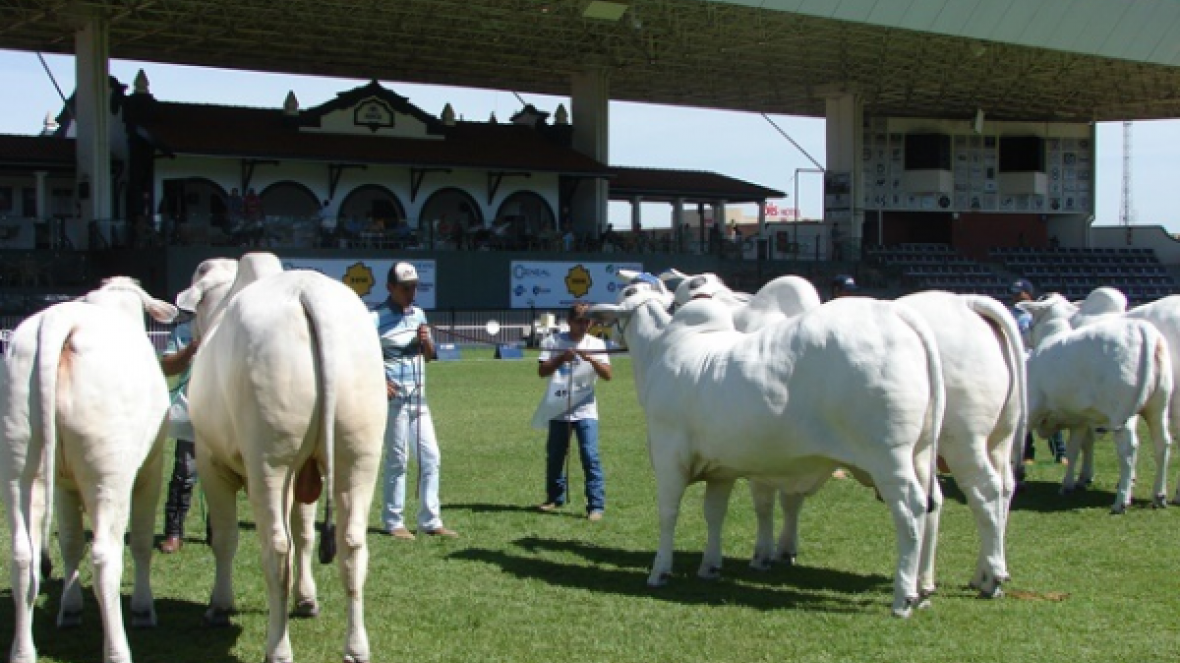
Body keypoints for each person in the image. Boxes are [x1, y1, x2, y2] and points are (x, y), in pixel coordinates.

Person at [372, 262, 458, 540]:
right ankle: (393, 521)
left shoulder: (419, 314)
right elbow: (361, 358)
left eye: (414, 288)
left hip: (419, 400)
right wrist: (379, 382)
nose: (411, 293)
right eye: (405, 288)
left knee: (431, 458)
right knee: (397, 460)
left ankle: (430, 521)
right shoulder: (374, 318)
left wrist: (425, 341)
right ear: (390, 287)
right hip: (394, 403)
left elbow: (430, 356)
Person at [534, 302, 612, 521]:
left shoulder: (597, 343)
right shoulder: (553, 341)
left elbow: (608, 375)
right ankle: (554, 497)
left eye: (587, 321)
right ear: (569, 321)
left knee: (590, 456)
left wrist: (591, 359)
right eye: (579, 321)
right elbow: (542, 371)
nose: (584, 325)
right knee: (555, 456)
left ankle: (595, 506)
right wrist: (561, 358)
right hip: (559, 408)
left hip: (586, 409)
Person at [1009, 278, 1066, 465]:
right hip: (1019, 363)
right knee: (1023, 410)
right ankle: (1027, 453)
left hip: (1038, 362)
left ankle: (1060, 452)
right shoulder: (1010, 314)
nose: (1016, 297)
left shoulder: (1040, 313)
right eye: (1013, 294)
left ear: (1029, 293)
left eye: (1020, 293)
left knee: (1049, 407)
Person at [159, 321, 200, 554]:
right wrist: (191, 348)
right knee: (183, 473)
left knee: (225, 475)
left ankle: (218, 529)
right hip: (190, 411)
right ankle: (173, 532)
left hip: (225, 414)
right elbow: (167, 367)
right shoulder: (183, 331)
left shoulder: (232, 324)